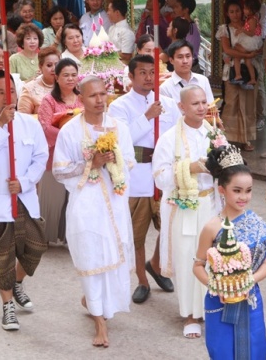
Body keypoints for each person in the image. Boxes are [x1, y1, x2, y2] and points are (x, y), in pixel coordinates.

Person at [53, 75, 135, 347]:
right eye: (93, 96)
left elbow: (131, 163)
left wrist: (115, 165)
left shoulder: (119, 127)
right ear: (81, 98)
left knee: (113, 256)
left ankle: (97, 304)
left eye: (103, 94)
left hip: (114, 203)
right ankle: (100, 321)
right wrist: (92, 163)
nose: (100, 100)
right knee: (91, 258)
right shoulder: (70, 131)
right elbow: (60, 170)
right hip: (86, 206)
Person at [0, 70, 49, 331]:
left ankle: (16, 282)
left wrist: (25, 182)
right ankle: (7, 306)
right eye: (0, 92)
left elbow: (40, 157)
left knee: (35, 247)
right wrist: (1, 124)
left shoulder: (30, 123)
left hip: (25, 197)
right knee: (2, 256)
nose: (7, 97)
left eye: (11, 91)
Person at [108, 54, 180, 304]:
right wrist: (147, 117)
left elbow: (177, 134)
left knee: (170, 225)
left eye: (152, 72)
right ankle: (141, 279)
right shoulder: (120, 106)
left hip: (163, 172)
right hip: (137, 172)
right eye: (143, 72)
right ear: (131, 76)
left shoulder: (169, 103)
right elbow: (120, 139)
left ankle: (156, 263)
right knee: (136, 233)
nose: (149, 77)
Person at [194, 146, 266, 358]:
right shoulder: (212, 227)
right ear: (222, 190)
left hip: (250, 298)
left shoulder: (255, 222)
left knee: (255, 348)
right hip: (219, 299)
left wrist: (247, 281)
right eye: (237, 190)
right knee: (223, 351)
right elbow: (197, 266)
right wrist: (219, 287)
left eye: (248, 190)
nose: (244, 197)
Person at [151, 85, 220, 338]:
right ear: (182, 107)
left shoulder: (213, 133)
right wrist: (189, 168)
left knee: (212, 257)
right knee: (189, 257)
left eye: (204, 102)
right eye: (195, 104)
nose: (202, 108)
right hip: (184, 205)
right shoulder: (170, 138)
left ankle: (210, 310)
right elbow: (159, 177)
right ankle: (190, 315)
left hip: (210, 204)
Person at [37, 58, 84, 244]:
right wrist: (71, 139)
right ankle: (42, 237)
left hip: (80, 155)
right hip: (55, 154)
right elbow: (45, 128)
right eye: (66, 75)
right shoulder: (49, 100)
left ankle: (70, 237)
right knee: (52, 199)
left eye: (74, 75)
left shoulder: (82, 97)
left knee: (74, 199)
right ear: (56, 77)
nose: (70, 79)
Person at [216, 0, 260, 151]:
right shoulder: (224, 29)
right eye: (232, 11)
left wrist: (250, 54)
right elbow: (227, 50)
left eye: (237, 10)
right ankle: (227, 138)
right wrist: (246, 54)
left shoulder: (249, 25)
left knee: (248, 104)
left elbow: (258, 44)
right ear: (227, 14)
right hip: (232, 71)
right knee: (231, 103)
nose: (235, 14)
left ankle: (245, 140)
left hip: (249, 69)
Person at [159, 39, 214, 104]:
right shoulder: (165, 88)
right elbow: (167, 113)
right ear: (171, 60)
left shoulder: (203, 80)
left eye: (188, 56)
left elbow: (211, 107)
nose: (185, 61)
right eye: (180, 57)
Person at [230, 0, 263, 90]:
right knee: (248, 61)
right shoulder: (251, 18)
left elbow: (251, 33)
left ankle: (238, 74)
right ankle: (252, 78)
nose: (244, 10)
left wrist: (242, 30)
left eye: (245, 8)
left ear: (251, 10)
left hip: (251, 41)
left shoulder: (252, 19)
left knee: (236, 52)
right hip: (252, 41)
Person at [18, 47, 60, 114]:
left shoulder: (67, 85)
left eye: (57, 64)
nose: (54, 69)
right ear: (40, 67)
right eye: (49, 65)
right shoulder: (29, 89)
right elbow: (23, 118)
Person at [172, 0, 201, 72]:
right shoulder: (185, 26)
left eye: (177, 7)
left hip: (190, 68)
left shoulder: (191, 29)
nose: (174, 9)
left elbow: (190, 50)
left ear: (185, 10)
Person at [106, 0, 135, 64]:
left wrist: (107, 53)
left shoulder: (127, 32)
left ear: (117, 13)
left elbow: (126, 55)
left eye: (109, 10)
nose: (107, 13)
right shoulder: (111, 28)